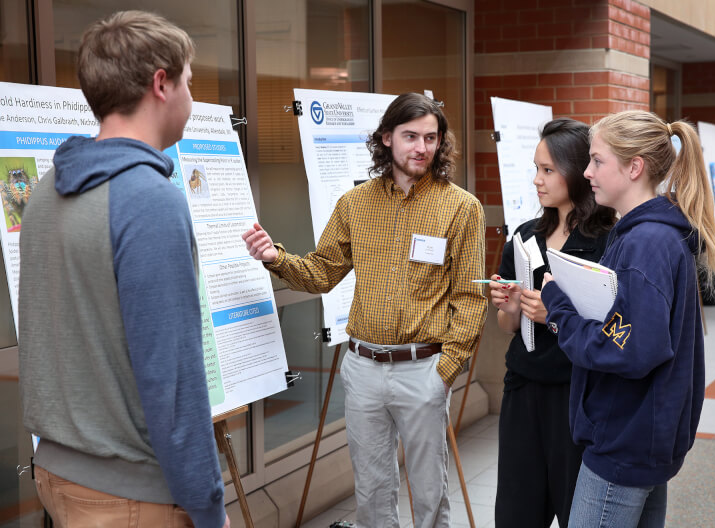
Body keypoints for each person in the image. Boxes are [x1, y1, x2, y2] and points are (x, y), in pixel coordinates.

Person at [18, 11, 228, 528]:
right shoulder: (150, 200)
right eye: (189, 84)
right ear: (161, 84)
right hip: (132, 494)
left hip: (58, 474)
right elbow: (172, 375)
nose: (191, 99)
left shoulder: (46, 191)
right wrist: (208, 506)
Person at [242, 92, 487, 527]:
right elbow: (321, 273)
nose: (422, 148)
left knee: (430, 496)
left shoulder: (461, 207)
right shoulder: (355, 204)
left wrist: (446, 369)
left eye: (431, 138)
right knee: (372, 493)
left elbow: (469, 297)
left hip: (423, 369)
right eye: (411, 136)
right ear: (387, 138)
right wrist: (274, 258)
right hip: (363, 368)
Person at [540, 110, 715, 528]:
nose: (587, 172)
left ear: (634, 167)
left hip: (624, 442)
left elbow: (627, 349)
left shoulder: (645, 243)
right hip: (643, 434)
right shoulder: (650, 234)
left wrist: (558, 305)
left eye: (597, 160)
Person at [489, 118, 615, 527]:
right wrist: (508, 305)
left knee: (574, 505)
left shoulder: (607, 242)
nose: (537, 180)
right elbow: (508, 328)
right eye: (536, 169)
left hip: (577, 393)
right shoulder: (524, 237)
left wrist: (554, 314)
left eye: (548, 170)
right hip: (524, 389)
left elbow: (611, 327)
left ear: (578, 172)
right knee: (516, 507)